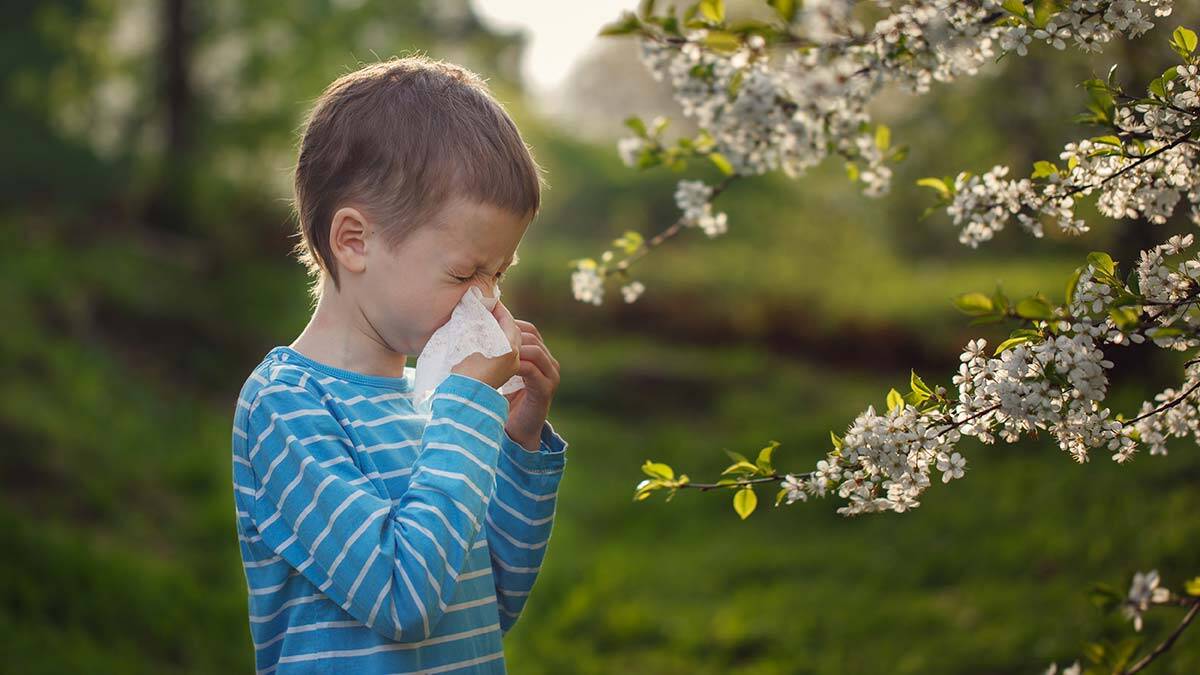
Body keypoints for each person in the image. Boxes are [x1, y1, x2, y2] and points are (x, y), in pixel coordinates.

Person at [230, 54, 567, 673]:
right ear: (354, 241)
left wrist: (517, 443)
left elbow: (488, 603)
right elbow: (403, 599)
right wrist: (467, 409)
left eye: (498, 274)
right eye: (464, 273)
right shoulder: (285, 407)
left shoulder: (437, 401)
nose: (486, 301)